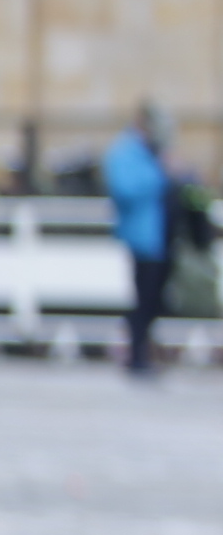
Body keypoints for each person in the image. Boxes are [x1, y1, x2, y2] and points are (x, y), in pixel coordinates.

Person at [103, 103, 177, 380]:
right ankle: (136, 355)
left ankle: (143, 352)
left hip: (156, 236)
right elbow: (124, 189)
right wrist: (160, 175)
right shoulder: (125, 151)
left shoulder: (148, 151)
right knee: (142, 298)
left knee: (153, 299)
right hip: (140, 235)